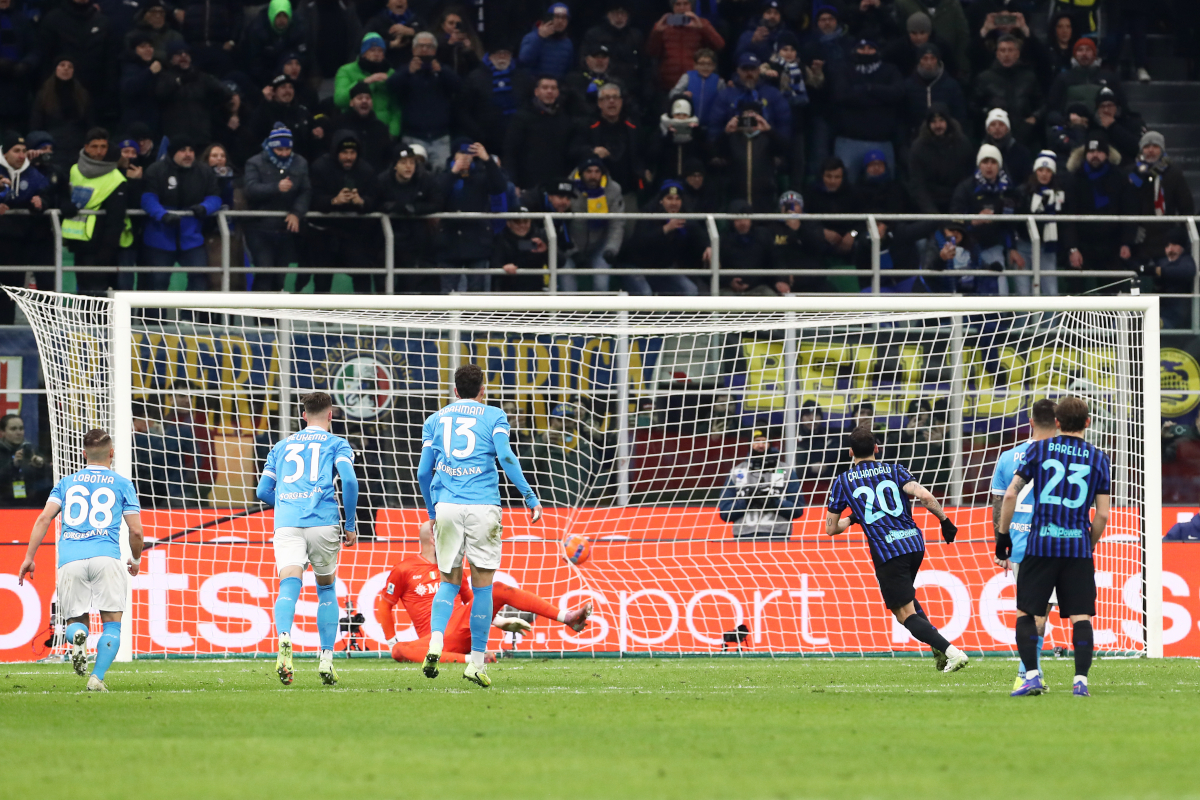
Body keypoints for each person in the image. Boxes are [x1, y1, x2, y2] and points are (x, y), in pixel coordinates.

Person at [416, 364, 543, 688]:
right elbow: (506, 457)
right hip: (483, 506)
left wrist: (432, 510)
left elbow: (423, 472)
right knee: (483, 587)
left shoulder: (435, 420)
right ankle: (475, 663)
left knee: (448, 582)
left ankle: (435, 642)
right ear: (482, 390)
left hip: (447, 506)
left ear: (455, 390)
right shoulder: (494, 416)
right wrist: (529, 496)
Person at [825, 424, 966, 672]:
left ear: (850, 452)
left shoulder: (843, 481)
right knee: (906, 599)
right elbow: (925, 496)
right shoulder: (895, 470)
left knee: (903, 614)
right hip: (914, 544)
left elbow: (831, 528)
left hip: (888, 551)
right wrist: (945, 521)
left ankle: (952, 653)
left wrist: (854, 518)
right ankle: (938, 647)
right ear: (876, 448)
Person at [999, 396, 1110, 698]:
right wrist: (1088, 544)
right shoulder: (1099, 458)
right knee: (1081, 616)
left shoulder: (1038, 449)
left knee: (1026, 612)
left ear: (1057, 422)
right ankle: (1080, 682)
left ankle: (1031, 676)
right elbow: (1102, 515)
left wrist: (1003, 536)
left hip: (1041, 546)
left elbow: (1010, 495)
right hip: (1077, 548)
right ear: (1088, 422)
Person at [17, 429, 144, 692]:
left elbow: (44, 518)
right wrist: (135, 558)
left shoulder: (66, 483)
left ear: (83, 454)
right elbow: (135, 531)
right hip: (106, 557)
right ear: (112, 453)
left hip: (70, 559)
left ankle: (78, 635)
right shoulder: (122, 483)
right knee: (112, 623)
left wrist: (29, 557)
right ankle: (96, 678)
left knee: (75, 620)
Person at [377, 519, 592, 663]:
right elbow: (385, 605)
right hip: (435, 639)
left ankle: (567, 617)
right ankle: (472, 658)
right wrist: (391, 642)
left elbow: (473, 602)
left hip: (463, 626)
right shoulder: (404, 569)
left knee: (496, 589)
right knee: (400, 650)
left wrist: (500, 622)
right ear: (434, 539)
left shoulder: (453, 566)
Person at [256, 392, 359, 687]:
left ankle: (284, 637)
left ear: (303, 415)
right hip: (323, 522)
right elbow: (349, 481)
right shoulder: (337, 443)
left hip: (288, 523)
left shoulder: (281, 446)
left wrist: (287, 504)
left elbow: (262, 491)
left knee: (289, 583)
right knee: (326, 588)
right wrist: (350, 523)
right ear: (331, 414)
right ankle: (326, 658)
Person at [991, 399, 1058, 691]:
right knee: (1040, 612)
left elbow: (999, 501)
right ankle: (1027, 672)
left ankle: (1031, 672)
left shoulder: (1008, 457)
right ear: (1057, 423)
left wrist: (1000, 542)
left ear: (1030, 422)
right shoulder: (1066, 456)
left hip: (1018, 543)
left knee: (1029, 610)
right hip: (1054, 541)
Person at [140, 136, 222, 291]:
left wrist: (205, 207)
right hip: (159, 239)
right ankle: (156, 309)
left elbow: (215, 197)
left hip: (192, 238)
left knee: (199, 278)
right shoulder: (156, 170)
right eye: (183, 150)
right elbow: (148, 198)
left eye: (191, 150)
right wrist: (163, 215)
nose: (188, 154)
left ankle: (190, 309)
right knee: (158, 282)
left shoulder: (204, 171)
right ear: (173, 152)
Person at [304, 130, 380, 294]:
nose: (349, 157)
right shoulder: (320, 167)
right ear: (335, 152)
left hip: (353, 235)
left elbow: (375, 200)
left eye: (352, 152)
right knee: (322, 281)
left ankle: (365, 310)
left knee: (363, 274)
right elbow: (311, 199)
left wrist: (362, 202)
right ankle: (321, 312)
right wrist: (333, 201)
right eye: (344, 152)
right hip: (323, 234)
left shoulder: (366, 170)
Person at [61, 128, 131, 297]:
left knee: (97, 295)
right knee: (82, 292)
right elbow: (63, 195)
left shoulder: (116, 178)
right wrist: (64, 204)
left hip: (100, 246)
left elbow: (116, 220)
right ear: (86, 147)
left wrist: (106, 251)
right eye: (94, 146)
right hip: (78, 242)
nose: (99, 151)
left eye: (103, 147)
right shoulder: (74, 170)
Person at [243, 124, 311, 293]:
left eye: (287, 149)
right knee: (265, 272)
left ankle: (275, 310)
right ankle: (259, 311)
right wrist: (275, 187)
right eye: (279, 149)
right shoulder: (254, 162)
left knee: (280, 277)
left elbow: (306, 191)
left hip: (285, 228)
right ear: (271, 146)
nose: (284, 153)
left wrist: (296, 212)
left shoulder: (300, 163)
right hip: (259, 227)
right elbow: (250, 190)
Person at [1061, 131, 1131, 290]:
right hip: (1082, 242)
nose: (1095, 155)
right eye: (1091, 151)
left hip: (1112, 243)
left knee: (1113, 289)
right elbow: (1067, 216)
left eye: (1099, 151)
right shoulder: (1074, 178)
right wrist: (1073, 248)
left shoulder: (1119, 177)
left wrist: (1126, 242)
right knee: (1076, 287)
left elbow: (1128, 210)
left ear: (1106, 154)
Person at [436, 139, 507, 293]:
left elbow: (500, 187)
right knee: (447, 292)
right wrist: (453, 173)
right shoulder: (442, 175)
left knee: (477, 293)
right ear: (454, 155)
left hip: (477, 241)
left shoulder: (481, 175)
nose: (465, 157)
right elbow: (436, 196)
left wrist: (487, 160)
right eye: (461, 153)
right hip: (449, 241)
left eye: (469, 154)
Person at [829, 39, 904, 183]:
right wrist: (880, 99)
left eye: (870, 48)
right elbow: (841, 95)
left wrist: (869, 88)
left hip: (882, 140)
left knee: (886, 185)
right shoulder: (844, 69)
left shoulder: (890, 70)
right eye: (862, 48)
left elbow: (897, 93)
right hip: (848, 140)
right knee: (845, 184)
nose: (866, 51)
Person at [949, 144, 1018, 296]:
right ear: (979, 164)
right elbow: (954, 219)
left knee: (1001, 294)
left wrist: (1012, 248)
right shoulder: (965, 187)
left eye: (993, 162)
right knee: (966, 295)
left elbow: (1008, 223)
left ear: (999, 165)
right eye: (985, 161)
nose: (989, 166)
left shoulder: (1006, 189)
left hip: (993, 247)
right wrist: (973, 221)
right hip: (966, 249)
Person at [388, 31, 461, 173]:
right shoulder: (405, 70)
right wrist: (408, 71)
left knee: (443, 174)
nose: (425, 49)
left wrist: (442, 72)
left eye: (429, 46)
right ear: (413, 49)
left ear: (435, 50)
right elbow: (391, 87)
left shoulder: (443, 70)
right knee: (413, 173)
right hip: (413, 136)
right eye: (421, 46)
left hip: (440, 137)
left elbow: (459, 87)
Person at [622, 180, 708, 296]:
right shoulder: (648, 213)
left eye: (677, 199)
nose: (674, 203)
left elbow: (698, 233)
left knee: (690, 290)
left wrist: (708, 246)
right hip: (635, 266)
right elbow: (640, 242)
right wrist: (666, 229)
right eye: (669, 198)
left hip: (661, 269)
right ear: (661, 200)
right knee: (645, 294)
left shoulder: (684, 215)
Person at [377, 145, 442, 294]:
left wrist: (413, 208)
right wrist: (388, 207)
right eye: (403, 162)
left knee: (411, 285)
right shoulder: (383, 180)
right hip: (386, 241)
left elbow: (437, 202)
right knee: (384, 282)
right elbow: (374, 201)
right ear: (394, 165)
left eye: (412, 162)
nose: (408, 167)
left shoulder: (425, 179)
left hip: (417, 241)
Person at [0, 133, 50, 322]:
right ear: (5, 153)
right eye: (16, 151)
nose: (21, 155)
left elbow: (49, 194)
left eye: (24, 151)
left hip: (17, 241)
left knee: (11, 289)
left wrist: (41, 202)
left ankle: (7, 334)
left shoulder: (33, 174)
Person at [570, 82, 644, 211]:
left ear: (621, 101)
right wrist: (592, 151)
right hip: (595, 192)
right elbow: (572, 151)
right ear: (599, 103)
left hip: (628, 192)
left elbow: (643, 152)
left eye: (615, 97)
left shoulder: (633, 126)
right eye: (606, 98)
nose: (611, 101)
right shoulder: (586, 125)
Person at [717, 430, 804, 539]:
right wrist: (746, 501)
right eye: (757, 441)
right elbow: (724, 513)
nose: (761, 445)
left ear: (770, 443)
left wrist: (773, 502)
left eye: (764, 441)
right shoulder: (737, 472)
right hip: (744, 536)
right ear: (750, 443)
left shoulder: (786, 470)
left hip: (778, 536)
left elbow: (798, 509)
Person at [1126, 131, 1195, 263]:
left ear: (1162, 149)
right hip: (1139, 238)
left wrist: (1179, 236)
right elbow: (1125, 204)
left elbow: (1186, 206)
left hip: (1166, 237)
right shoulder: (1131, 173)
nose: (1150, 150)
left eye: (1155, 146)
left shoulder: (1173, 173)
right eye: (1147, 146)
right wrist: (1130, 231)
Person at [503, 74, 576, 192]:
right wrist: (513, 182)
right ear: (536, 92)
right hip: (528, 183)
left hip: (558, 183)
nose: (549, 91)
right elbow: (511, 152)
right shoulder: (521, 118)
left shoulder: (565, 119)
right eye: (545, 87)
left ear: (558, 93)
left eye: (553, 88)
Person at [564, 156, 625, 293]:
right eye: (589, 171)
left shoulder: (613, 189)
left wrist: (611, 249)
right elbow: (561, 224)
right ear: (581, 173)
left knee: (601, 285)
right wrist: (573, 252)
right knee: (568, 289)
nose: (593, 176)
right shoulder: (567, 188)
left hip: (600, 245)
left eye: (597, 171)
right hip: (571, 246)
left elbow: (617, 223)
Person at [460, 44, 533, 157]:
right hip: (486, 141)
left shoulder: (523, 77)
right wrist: (479, 134)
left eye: (506, 53)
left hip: (519, 138)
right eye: (498, 53)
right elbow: (464, 110)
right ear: (490, 56)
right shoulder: (474, 78)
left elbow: (529, 105)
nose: (502, 56)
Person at [972, 35, 1043, 148]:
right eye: (1002, 50)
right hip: (993, 137)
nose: (1006, 54)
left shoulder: (1029, 77)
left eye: (1010, 50)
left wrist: (1034, 118)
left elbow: (1041, 104)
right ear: (997, 54)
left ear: (1017, 53)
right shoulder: (985, 78)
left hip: (1024, 135)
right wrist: (990, 117)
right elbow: (974, 106)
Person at [1011, 150, 1064, 296]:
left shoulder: (1060, 195)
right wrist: (1012, 248)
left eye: (1048, 170)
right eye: (1041, 170)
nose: (1044, 174)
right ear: (1035, 172)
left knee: (1051, 292)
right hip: (1023, 245)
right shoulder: (1022, 192)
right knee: (1023, 293)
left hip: (1047, 247)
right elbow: (1012, 223)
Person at [908, 103, 975, 214]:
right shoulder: (918, 148)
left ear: (948, 121)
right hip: (929, 205)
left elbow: (968, 177)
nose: (938, 125)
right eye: (934, 121)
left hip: (957, 201)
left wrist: (957, 207)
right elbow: (917, 185)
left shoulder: (963, 143)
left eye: (941, 120)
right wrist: (932, 213)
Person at [29, 56, 94, 169]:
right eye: (62, 65)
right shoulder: (44, 95)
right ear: (55, 68)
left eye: (70, 66)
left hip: (78, 146)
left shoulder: (83, 95)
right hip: (53, 146)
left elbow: (90, 122)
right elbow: (36, 123)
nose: (66, 68)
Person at [646, 0, 725, 91]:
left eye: (686, 4)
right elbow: (651, 52)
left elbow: (719, 45)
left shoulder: (702, 23)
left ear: (691, 6)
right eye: (678, 4)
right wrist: (657, 32)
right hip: (668, 82)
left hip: (696, 80)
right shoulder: (663, 25)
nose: (682, 8)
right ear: (673, 7)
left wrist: (703, 28)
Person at [334, 33, 402, 138]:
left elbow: (396, 107)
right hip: (354, 128)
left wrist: (393, 131)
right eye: (372, 50)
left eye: (380, 50)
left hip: (383, 130)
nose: (376, 54)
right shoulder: (346, 70)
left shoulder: (391, 73)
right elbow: (339, 100)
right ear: (363, 53)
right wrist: (365, 82)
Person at [1141, 227, 1198, 330]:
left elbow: (1188, 270)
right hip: (1159, 310)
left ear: (1183, 247)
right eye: (1167, 246)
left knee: (1149, 324)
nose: (1170, 250)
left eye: (1174, 244)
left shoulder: (1186, 261)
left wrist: (1159, 271)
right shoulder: (1162, 262)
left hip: (1177, 317)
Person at [333, 81, 393, 172]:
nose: (364, 101)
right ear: (351, 102)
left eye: (368, 98)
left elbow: (387, 157)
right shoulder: (340, 124)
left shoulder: (380, 127)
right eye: (360, 98)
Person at [0, 413, 50, 507]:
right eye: (13, 429)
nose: (19, 432)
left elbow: (47, 478)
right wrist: (13, 465)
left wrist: (41, 466)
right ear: (2, 432)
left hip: (31, 504)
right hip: (4, 505)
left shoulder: (31, 449)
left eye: (21, 428)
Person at [518, 2, 574, 78]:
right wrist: (539, 38)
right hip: (534, 83)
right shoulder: (532, 37)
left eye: (564, 18)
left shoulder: (567, 43)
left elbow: (568, 69)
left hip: (556, 83)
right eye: (557, 17)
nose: (560, 21)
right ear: (549, 18)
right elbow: (524, 60)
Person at [982, 107, 1032, 185]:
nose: (997, 128)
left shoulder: (1022, 153)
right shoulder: (980, 153)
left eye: (1001, 124)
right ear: (988, 129)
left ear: (1008, 129)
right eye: (993, 124)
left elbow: (1027, 181)